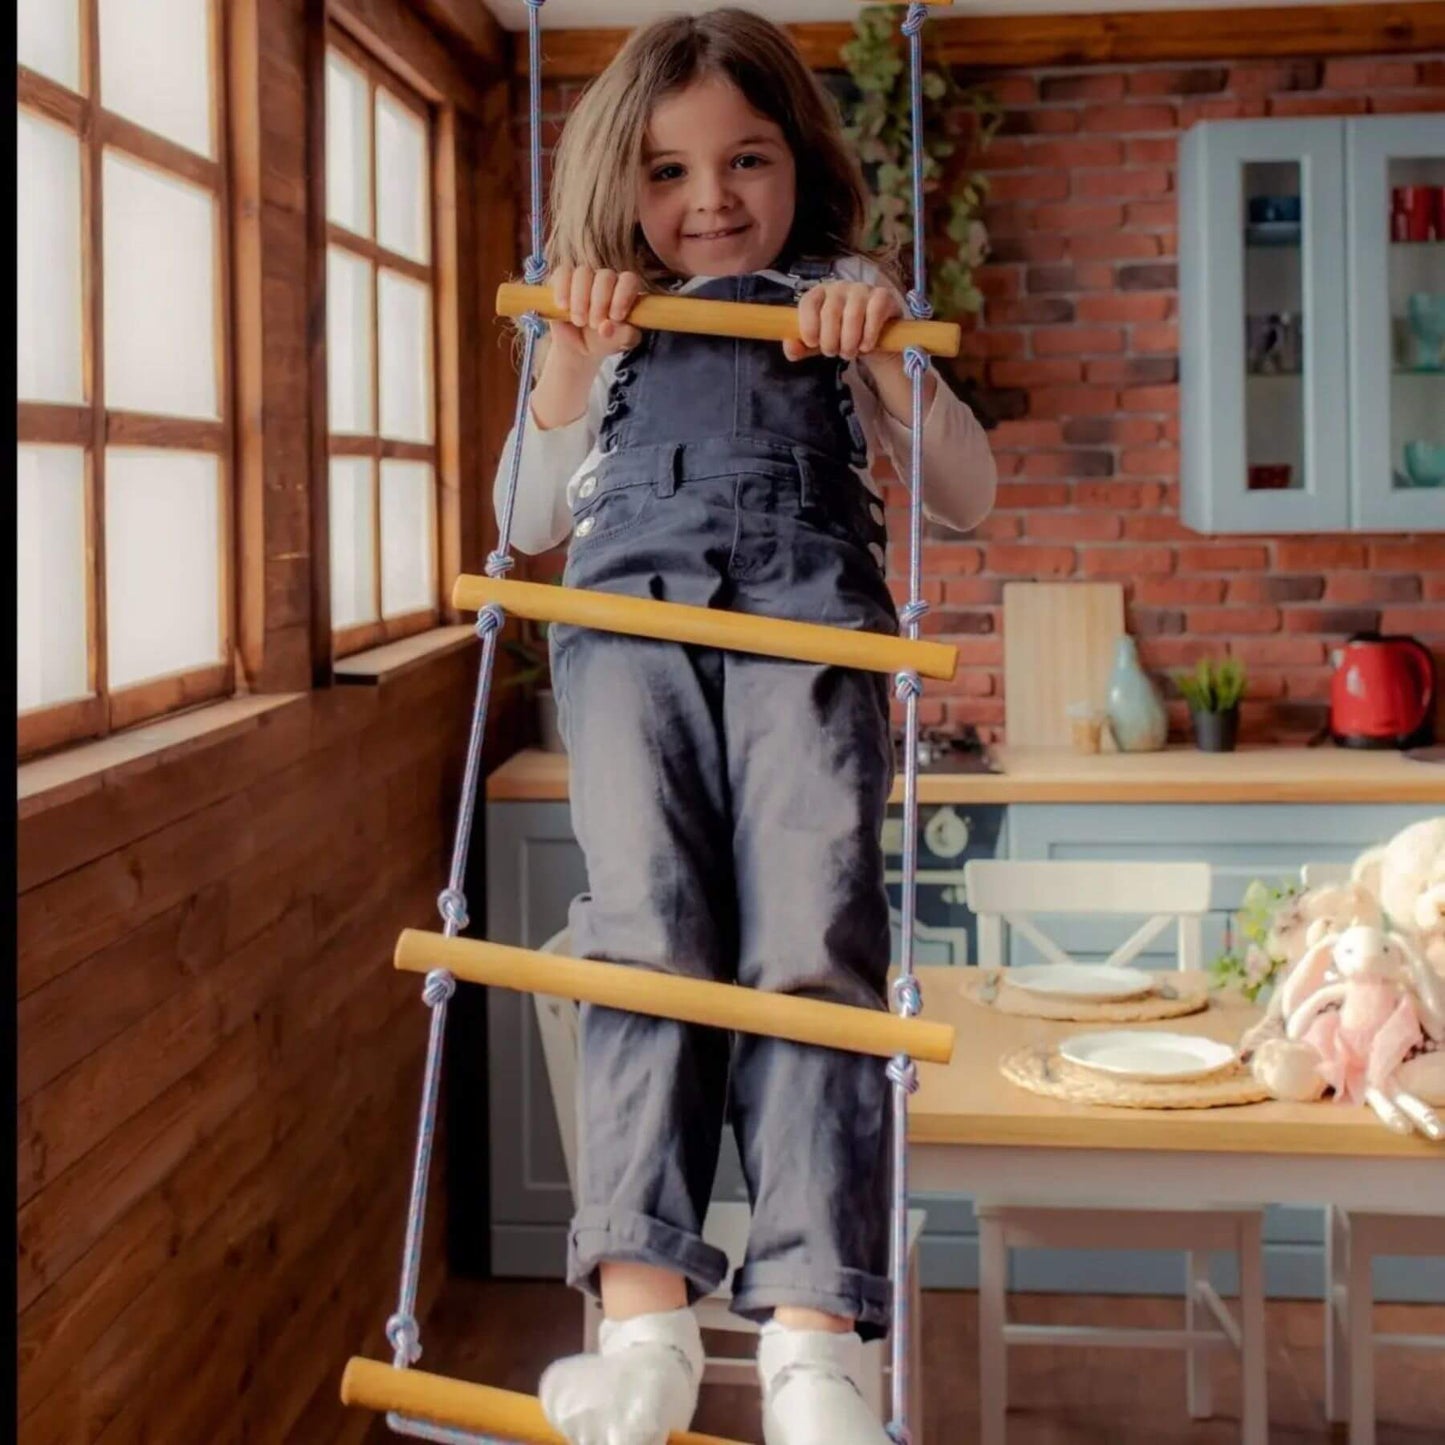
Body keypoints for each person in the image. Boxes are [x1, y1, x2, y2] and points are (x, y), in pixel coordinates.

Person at [492, 11, 996, 1444]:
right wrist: (573, 364)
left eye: (744, 159)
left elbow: (969, 496)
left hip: (804, 628)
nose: (707, 197)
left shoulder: (839, 295)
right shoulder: (599, 310)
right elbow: (522, 519)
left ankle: (811, 1341)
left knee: (810, 938)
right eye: (665, 172)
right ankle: (643, 1321)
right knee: (644, 930)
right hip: (630, 635)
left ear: (798, 164)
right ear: (617, 185)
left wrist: (889, 349)